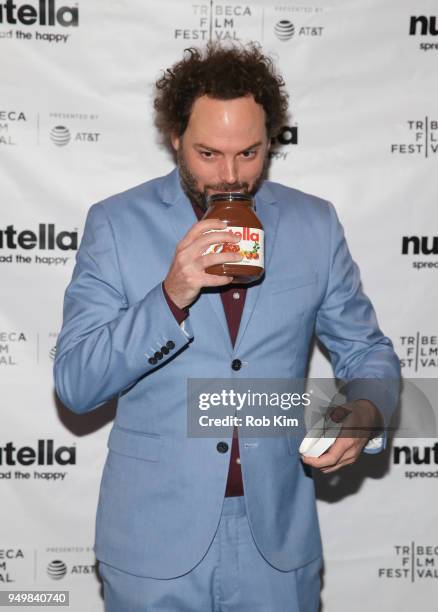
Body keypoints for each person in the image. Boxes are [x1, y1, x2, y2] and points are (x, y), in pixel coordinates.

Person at [54, 43, 400, 611]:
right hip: (151, 546)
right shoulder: (115, 225)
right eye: (208, 154)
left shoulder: (315, 224)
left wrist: (364, 413)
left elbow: (368, 351)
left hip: (276, 544)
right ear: (174, 139)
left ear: (271, 142)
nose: (231, 177)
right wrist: (171, 296)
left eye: (250, 153)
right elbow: (75, 383)